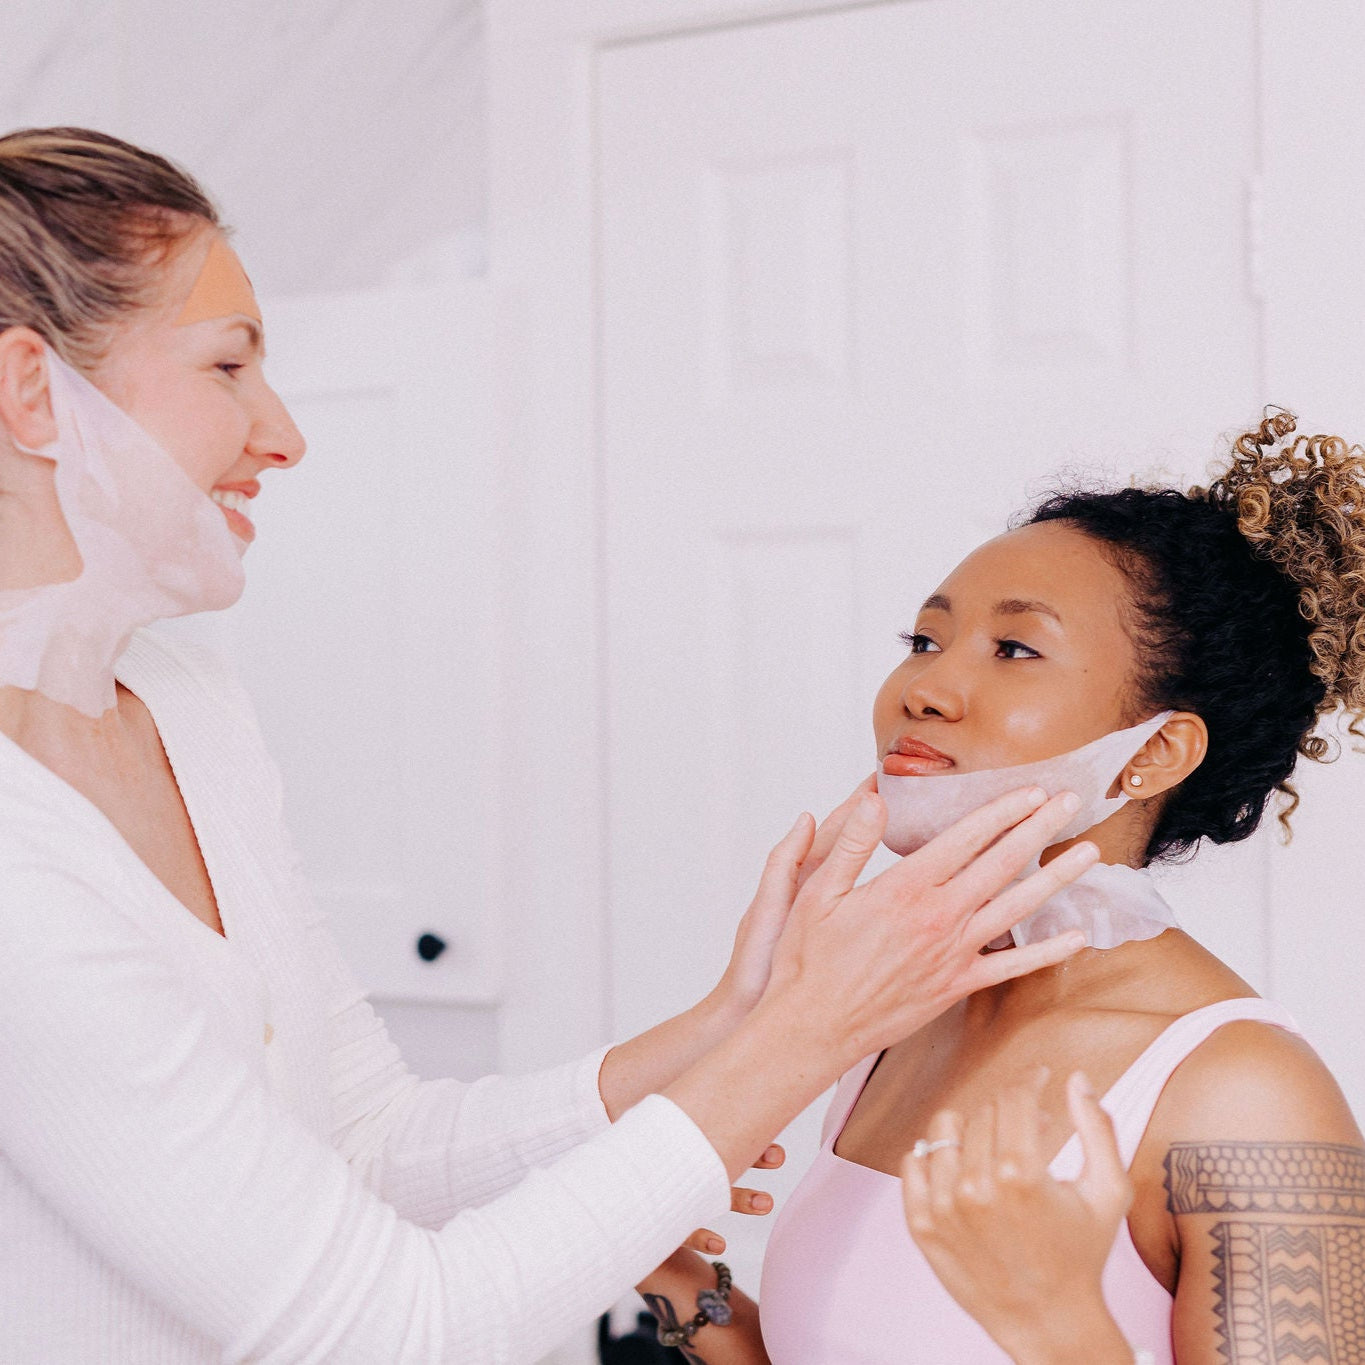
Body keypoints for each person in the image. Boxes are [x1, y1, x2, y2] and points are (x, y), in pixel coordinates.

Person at [0, 127, 1100, 1363]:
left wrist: (740, 1019)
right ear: (35, 394)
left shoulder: (185, 703)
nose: (283, 433)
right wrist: (814, 1031)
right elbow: (389, 1326)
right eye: (227, 368)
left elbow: (365, 1138)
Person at [640, 415, 1365, 1363]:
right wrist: (672, 1274)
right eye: (923, 638)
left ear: (1153, 752)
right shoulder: (898, 1020)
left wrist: (1055, 1322)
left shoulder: (1249, 1097)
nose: (923, 688)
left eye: (1013, 649)